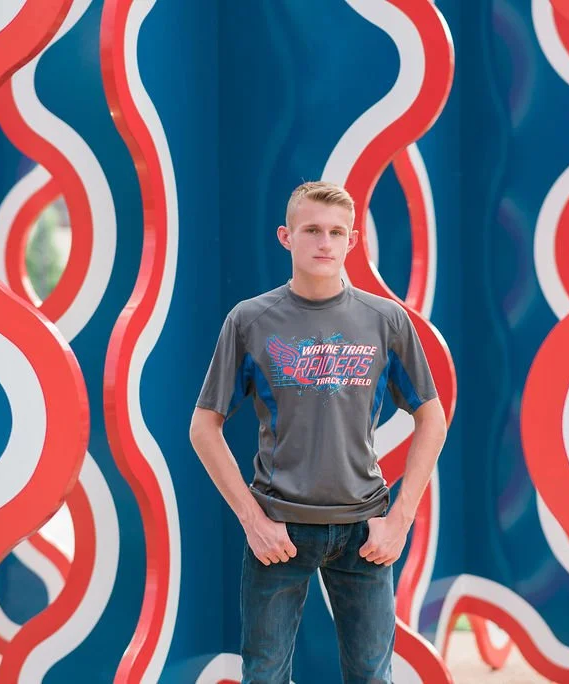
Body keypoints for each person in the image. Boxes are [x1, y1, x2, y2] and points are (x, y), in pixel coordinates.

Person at [189, 181, 447, 684]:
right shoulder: (250, 320)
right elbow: (204, 425)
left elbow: (431, 415)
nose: (324, 242)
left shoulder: (385, 320)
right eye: (312, 230)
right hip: (279, 529)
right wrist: (252, 519)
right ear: (287, 237)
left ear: (352, 241)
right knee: (264, 676)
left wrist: (400, 518)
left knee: (372, 676)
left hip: (365, 531)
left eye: (336, 232)